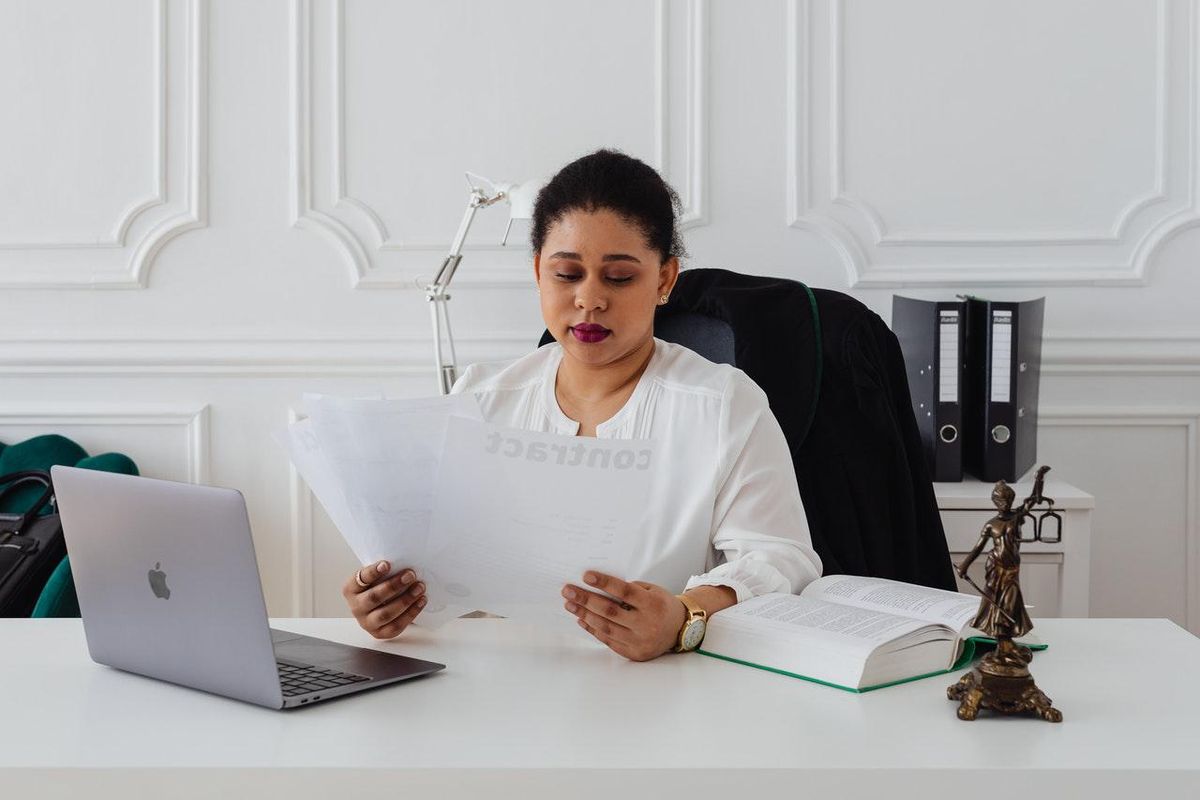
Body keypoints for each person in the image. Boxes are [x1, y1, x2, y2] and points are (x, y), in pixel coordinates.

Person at [342, 149, 823, 660]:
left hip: (661, 692)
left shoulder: (724, 404)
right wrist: (386, 600)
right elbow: (431, 560)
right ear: (538, 272)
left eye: (619, 278)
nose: (589, 299)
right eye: (567, 274)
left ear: (664, 279)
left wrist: (684, 616)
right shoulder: (480, 400)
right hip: (501, 686)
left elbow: (781, 559)